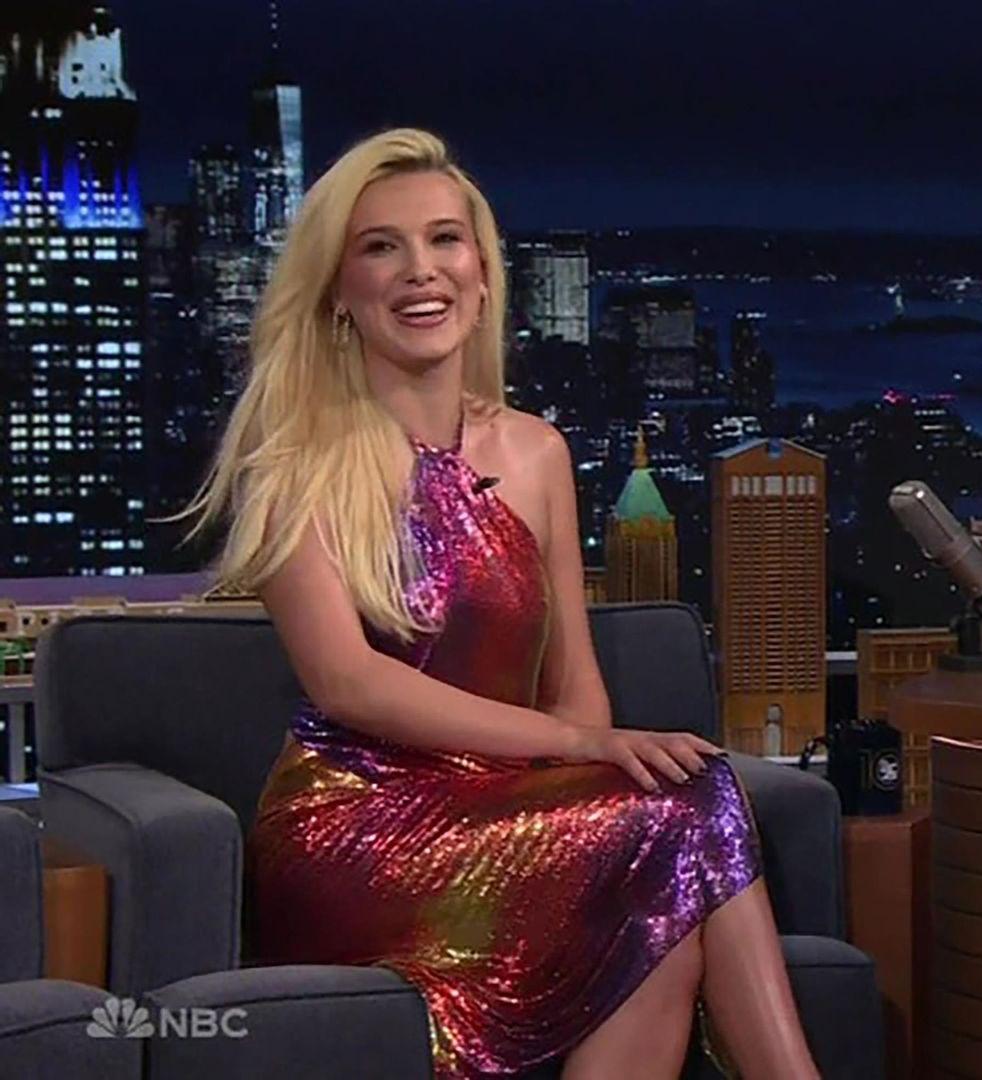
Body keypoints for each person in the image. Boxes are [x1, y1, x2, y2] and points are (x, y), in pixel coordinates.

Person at [180, 129, 819, 1080]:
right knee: (685, 820)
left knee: (671, 866)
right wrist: (578, 746)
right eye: (381, 247)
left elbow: (576, 682)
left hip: (512, 804)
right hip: (359, 828)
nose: (420, 269)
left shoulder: (537, 453)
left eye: (445, 239)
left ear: (482, 276)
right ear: (338, 291)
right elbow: (349, 683)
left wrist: (586, 754)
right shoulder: (294, 465)